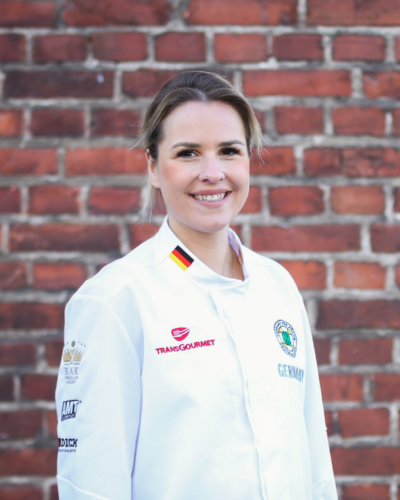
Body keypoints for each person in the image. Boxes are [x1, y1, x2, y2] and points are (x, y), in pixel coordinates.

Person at [56, 71, 337, 500]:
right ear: (153, 167)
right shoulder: (113, 302)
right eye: (188, 153)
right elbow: (92, 485)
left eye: (229, 151)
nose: (212, 173)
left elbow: (315, 462)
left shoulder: (277, 287)